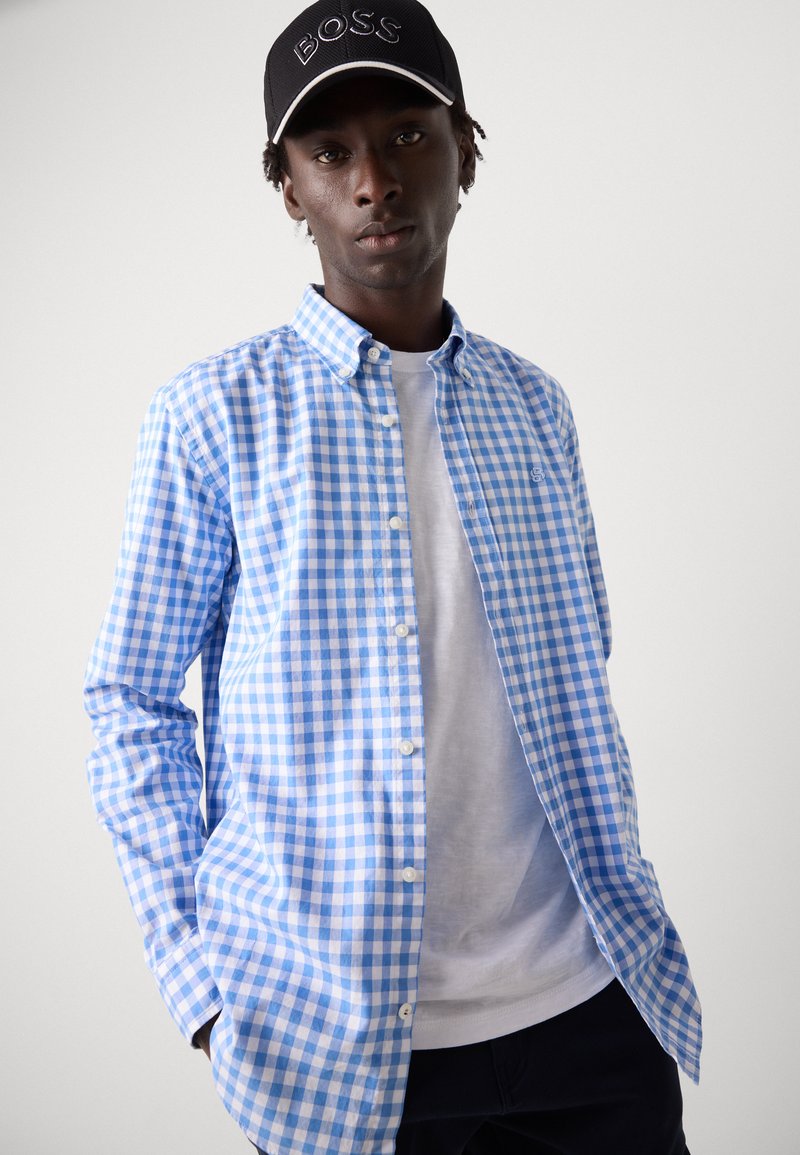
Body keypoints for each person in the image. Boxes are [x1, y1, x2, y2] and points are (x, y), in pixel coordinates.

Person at [84, 2, 702, 1153]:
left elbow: (580, 678)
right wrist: (202, 987)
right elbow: (129, 703)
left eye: (407, 135)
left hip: (589, 1008)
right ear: (287, 187)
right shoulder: (212, 418)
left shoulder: (534, 409)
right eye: (331, 153)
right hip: (332, 1040)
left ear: (465, 150)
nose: (373, 181)